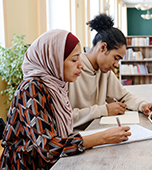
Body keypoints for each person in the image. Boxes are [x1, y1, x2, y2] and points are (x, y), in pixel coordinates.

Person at [0, 29, 131, 169]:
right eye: (74, 59)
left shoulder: (57, 86)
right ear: (53, 60)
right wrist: (102, 138)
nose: (81, 64)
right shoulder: (31, 89)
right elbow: (48, 147)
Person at [68, 14, 152, 129]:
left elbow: (124, 96)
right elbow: (65, 117)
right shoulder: (71, 70)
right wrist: (104, 110)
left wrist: (143, 105)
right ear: (103, 47)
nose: (116, 65)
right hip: (78, 135)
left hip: (97, 130)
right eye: (116, 58)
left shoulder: (105, 72)